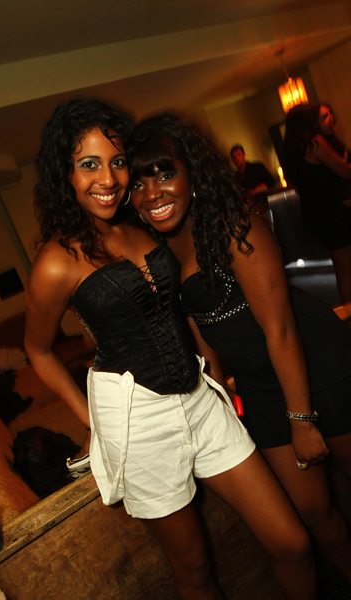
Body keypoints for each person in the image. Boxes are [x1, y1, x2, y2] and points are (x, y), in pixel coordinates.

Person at [24, 98, 317, 600]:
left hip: (200, 402)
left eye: (117, 162)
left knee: (292, 543)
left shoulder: (141, 226)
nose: (108, 179)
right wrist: (92, 422)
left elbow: (184, 306)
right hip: (140, 428)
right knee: (195, 570)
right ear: (64, 173)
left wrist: (218, 371)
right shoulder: (56, 262)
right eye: (89, 164)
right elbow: (38, 349)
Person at [128, 112, 351, 594]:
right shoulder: (158, 249)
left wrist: (302, 419)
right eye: (139, 183)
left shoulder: (233, 225)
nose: (153, 193)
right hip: (260, 387)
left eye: (165, 174)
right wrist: (220, 392)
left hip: (316, 363)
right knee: (313, 511)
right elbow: (200, 327)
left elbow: (281, 329)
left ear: (192, 172)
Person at [282, 104, 351, 303]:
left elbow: (297, 188)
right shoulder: (314, 144)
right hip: (331, 213)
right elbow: (345, 171)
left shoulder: (291, 152)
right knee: (346, 271)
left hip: (313, 215)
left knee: (342, 269)